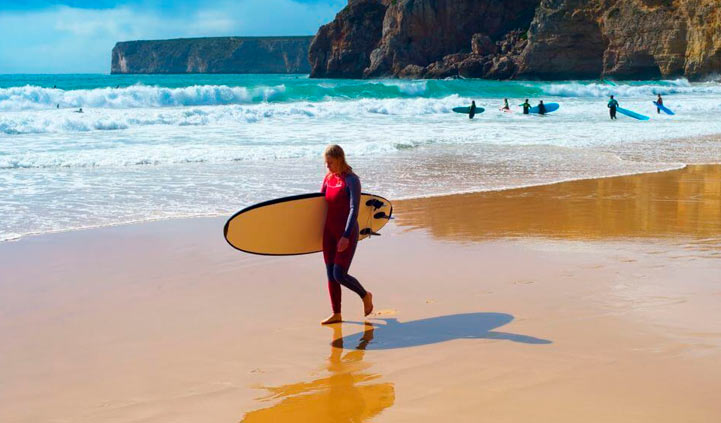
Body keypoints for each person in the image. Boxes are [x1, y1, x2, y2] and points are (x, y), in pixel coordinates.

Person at [320, 144, 373, 325]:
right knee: (330, 274)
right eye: (326, 163)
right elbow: (318, 204)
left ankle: (365, 295)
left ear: (340, 159)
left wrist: (345, 235)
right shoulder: (328, 178)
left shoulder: (352, 180)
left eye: (330, 163)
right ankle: (337, 314)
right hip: (328, 233)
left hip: (346, 232)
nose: (328, 166)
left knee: (339, 275)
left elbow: (354, 209)